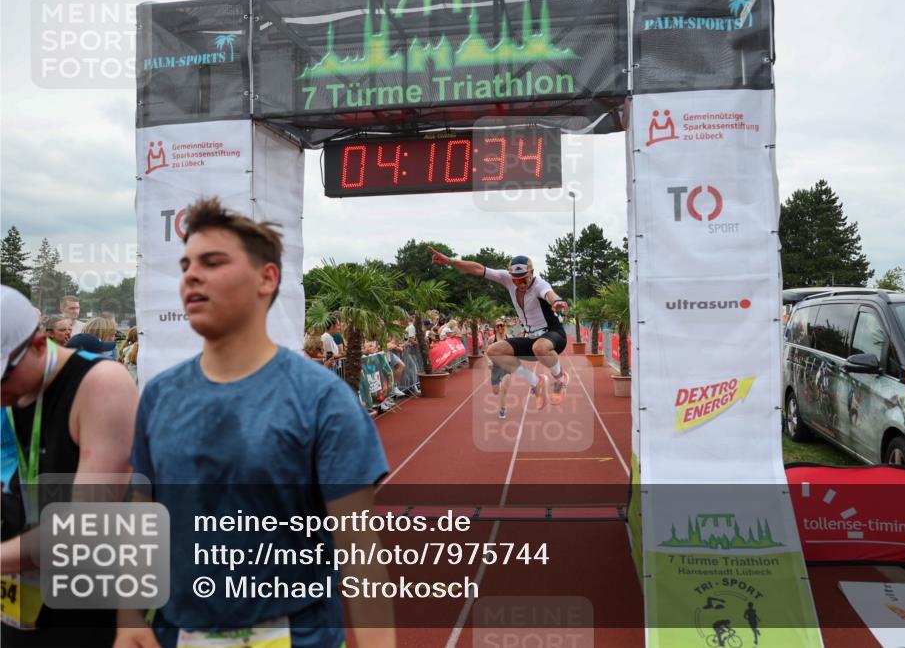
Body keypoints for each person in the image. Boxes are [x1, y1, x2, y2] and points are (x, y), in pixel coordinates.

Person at [115, 197, 394, 648]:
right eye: (186, 264)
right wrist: (128, 616)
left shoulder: (323, 400)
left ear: (267, 278)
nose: (191, 275)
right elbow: (142, 516)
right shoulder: (160, 396)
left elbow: (360, 554)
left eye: (212, 262)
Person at [0, 285, 138, 646]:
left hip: (86, 602)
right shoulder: (14, 387)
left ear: (39, 345)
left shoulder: (100, 385)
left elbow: (88, 529)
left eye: (1, 377)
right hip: (19, 597)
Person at [428, 248, 570, 409]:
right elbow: (478, 269)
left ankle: (560, 377)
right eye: (516, 281)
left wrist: (557, 301)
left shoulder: (539, 284)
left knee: (540, 346)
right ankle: (536, 383)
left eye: (524, 280)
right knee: (494, 351)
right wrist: (450, 261)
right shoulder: (507, 279)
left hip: (553, 335)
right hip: (531, 338)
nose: (520, 284)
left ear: (532, 273)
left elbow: (549, 294)